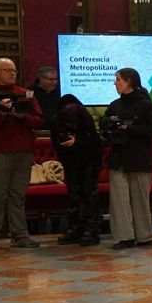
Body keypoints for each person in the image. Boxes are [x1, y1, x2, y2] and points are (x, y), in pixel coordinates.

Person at [0, 56, 43, 250]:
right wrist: (1, 114)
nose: (13, 74)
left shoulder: (25, 93)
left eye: (14, 70)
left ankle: (20, 235)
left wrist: (19, 115)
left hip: (24, 149)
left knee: (18, 195)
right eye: (8, 70)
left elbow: (38, 119)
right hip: (0, 151)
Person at [103, 67, 152, 249]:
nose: (115, 83)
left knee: (140, 199)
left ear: (128, 81)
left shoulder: (145, 104)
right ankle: (124, 237)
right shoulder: (114, 105)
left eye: (118, 79)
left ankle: (144, 236)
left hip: (139, 156)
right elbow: (106, 126)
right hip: (119, 157)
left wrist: (130, 129)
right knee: (119, 200)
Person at [52, 93, 102, 246]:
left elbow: (94, 142)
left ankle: (91, 230)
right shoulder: (56, 120)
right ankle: (74, 229)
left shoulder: (85, 117)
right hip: (70, 161)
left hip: (90, 160)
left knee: (89, 194)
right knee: (73, 195)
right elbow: (56, 143)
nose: (72, 127)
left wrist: (77, 142)